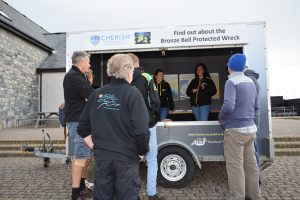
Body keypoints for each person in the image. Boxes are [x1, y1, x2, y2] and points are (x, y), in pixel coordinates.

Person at [77, 54, 150, 200]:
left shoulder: (96, 94)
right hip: (127, 158)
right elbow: (142, 130)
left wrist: (96, 147)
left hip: (103, 158)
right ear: (129, 73)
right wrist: (142, 151)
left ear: (110, 72)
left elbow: (83, 128)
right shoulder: (133, 94)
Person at [219, 54, 261, 199]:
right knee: (250, 166)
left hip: (235, 131)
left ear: (230, 67)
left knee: (235, 166)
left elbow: (228, 106)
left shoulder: (231, 82)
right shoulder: (250, 81)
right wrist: (253, 125)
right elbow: (256, 107)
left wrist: (221, 119)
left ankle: (238, 197)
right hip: (250, 129)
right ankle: (254, 195)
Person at [128, 53, 164, 200]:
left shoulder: (123, 79)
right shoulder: (147, 77)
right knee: (152, 160)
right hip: (148, 125)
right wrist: (154, 116)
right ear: (138, 62)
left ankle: (133, 194)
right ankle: (151, 194)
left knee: (131, 161)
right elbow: (155, 102)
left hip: (129, 127)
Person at [63, 51, 94, 200]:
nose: (89, 64)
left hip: (80, 121)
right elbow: (90, 94)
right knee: (81, 157)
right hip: (77, 121)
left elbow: (88, 96)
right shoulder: (73, 76)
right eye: (88, 61)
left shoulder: (78, 76)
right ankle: (75, 194)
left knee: (86, 156)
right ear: (80, 61)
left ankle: (81, 187)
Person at [244, 66, 262, 187]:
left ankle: (257, 182)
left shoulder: (249, 80)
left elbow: (248, 102)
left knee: (253, 150)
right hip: (253, 116)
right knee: (253, 148)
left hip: (250, 118)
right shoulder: (253, 79)